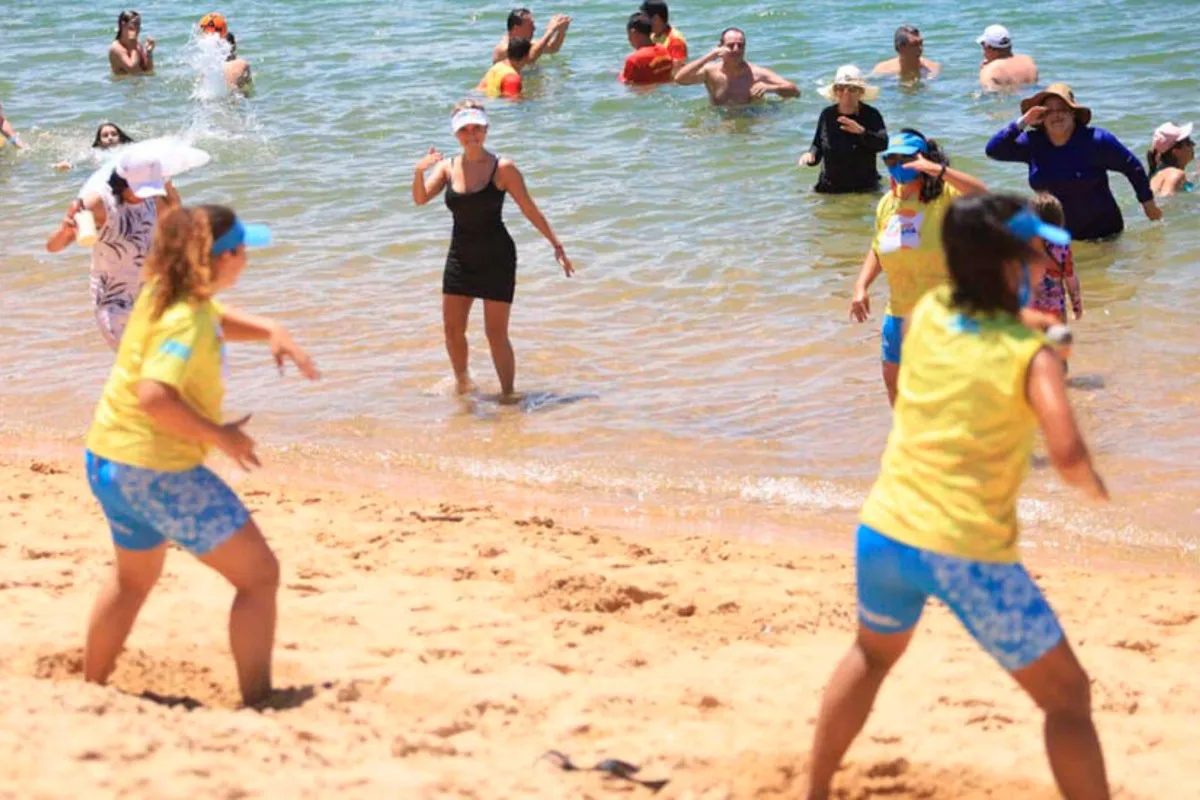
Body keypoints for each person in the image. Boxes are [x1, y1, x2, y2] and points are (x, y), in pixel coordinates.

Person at [806, 193, 1110, 800]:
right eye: (1032, 252)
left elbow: (993, 321)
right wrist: (1091, 484)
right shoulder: (1032, 357)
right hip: (966, 551)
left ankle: (813, 792)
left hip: (885, 531)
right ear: (1006, 265)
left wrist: (1048, 327)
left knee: (871, 655)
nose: (1043, 262)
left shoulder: (932, 311)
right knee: (1068, 698)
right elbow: (1069, 453)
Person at [83, 204, 319, 708]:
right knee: (260, 576)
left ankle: (90, 693)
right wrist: (220, 435)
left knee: (131, 581)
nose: (247, 258)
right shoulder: (185, 320)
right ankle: (259, 700)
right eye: (241, 250)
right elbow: (154, 395)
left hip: (108, 461)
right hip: (155, 471)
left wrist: (270, 329)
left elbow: (214, 319)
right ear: (219, 257)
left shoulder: (162, 293)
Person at [411, 101, 573, 398]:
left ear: (486, 129)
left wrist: (556, 244)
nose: (471, 134)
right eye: (465, 129)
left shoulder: (504, 168)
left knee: (495, 334)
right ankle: (463, 384)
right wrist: (419, 171)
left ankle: (508, 395)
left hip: (497, 257)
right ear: (456, 133)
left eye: (477, 128)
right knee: (452, 330)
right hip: (460, 256)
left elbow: (529, 208)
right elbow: (420, 199)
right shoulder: (447, 168)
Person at [848, 129, 988, 405]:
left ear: (922, 159)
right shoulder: (888, 203)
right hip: (898, 311)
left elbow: (982, 193)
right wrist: (861, 286)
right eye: (891, 160)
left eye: (906, 159)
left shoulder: (947, 196)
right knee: (895, 386)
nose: (898, 166)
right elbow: (878, 248)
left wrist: (938, 170)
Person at [986, 83, 1163, 241]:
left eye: (1062, 109)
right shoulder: (1032, 143)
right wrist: (1023, 122)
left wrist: (1148, 204)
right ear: (1040, 117)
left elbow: (1132, 167)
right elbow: (993, 150)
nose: (1056, 116)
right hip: (1058, 236)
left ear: (1073, 113)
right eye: (1049, 111)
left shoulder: (1096, 141)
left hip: (1104, 234)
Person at [45, 152, 182, 350]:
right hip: (113, 300)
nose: (143, 195)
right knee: (137, 367)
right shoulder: (99, 204)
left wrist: (166, 181)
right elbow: (53, 246)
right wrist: (65, 229)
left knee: (166, 365)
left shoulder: (151, 198)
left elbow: (175, 214)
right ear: (122, 181)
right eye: (139, 188)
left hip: (151, 295)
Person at [799, 65, 887, 194]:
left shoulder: (871, 115)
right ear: (835, 92)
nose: (845, 92)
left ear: (860, 92)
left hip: (864, 188)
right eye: (840, 88)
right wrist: (810, 155)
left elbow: (883, 144)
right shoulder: (827, 115)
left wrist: (862, 132)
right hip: (830, 188)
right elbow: (818, 144)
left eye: (851, 88)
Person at [674, 28, 800, 106]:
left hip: (750, 119)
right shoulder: (710, 72)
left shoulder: (757, 74)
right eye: (731, 45)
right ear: (720, 47)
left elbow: (795, 92)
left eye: (740, 45)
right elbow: (679, 79)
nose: (736, 50)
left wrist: (770, 88)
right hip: (720, 119)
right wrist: (709, 56)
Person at [1030, 193, 1082, 323]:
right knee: (1057, 340)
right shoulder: (1062, 249)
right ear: (1060, 220)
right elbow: (1070, 279)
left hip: (1030, 309)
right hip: (1055, 309)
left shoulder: (1025, 247)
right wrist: (1077, 304)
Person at [492, 9, 571, 65]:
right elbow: (531, 57)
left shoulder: (526, 42)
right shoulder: (503, 48)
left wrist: (562, 31)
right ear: (516, 28)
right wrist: (550, 30)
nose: (534, 28)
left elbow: (553, 48)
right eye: (530, 26)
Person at [53, 122, 135, 171]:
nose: (110, 138)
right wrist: (68, 164)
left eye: (114, 134)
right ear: (99, 141)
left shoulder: (129, 147)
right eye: (105, 136)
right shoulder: (95, 152)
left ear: (120, 137)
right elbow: (80, 160)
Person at [620, 12, 674, 86]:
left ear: (633, 33)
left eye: (628, 35)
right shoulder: (664, 50)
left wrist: (619, 76)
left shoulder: (634, 59)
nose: (628, 39)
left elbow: (627, 84)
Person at [976, 25, 1037, 89]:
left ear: (988, 46)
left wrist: (983, 71)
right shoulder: (1028, 61)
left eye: (982, 44)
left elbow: (988, 96)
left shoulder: (990, 71)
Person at [872, 25, 939, 81]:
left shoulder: (933, 68)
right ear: (900, 47)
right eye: (914, 45)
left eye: (920, 43)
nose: (920, 48)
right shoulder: (883, 69)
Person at [1147, 122, 1194, 197]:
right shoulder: (1176, 174)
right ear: (1175, 151)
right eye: (1188, 142)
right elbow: (1167, 202)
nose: (1193, 144)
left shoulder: (1156, 176)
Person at [109, 10, 155, 76]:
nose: (138, 28)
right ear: (123, 24)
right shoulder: (116, 48)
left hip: (139, 84)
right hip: (123, 86)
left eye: (139, 24)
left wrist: (149, 52)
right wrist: (133, 46)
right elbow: (134, 71)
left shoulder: (137, 43)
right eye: (135, 24)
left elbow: (148, 70)